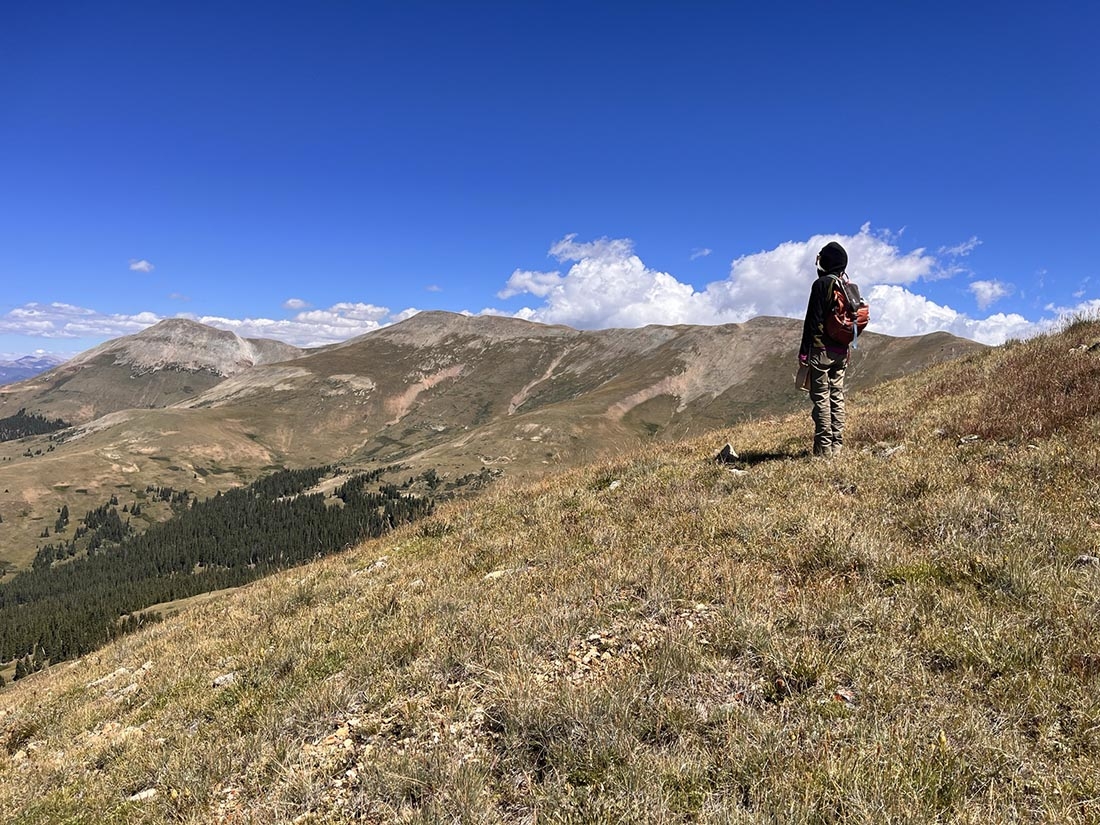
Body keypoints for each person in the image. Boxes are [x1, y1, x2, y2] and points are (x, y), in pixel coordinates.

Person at [799, 241, 849, 457]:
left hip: (821, 351)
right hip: (842, 351)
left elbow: (812, 321)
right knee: (836, 396)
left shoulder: (821, 285)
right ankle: (837, 446)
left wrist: (804, 352)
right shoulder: (845, 286)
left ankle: (823, 451)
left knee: (821, 399)